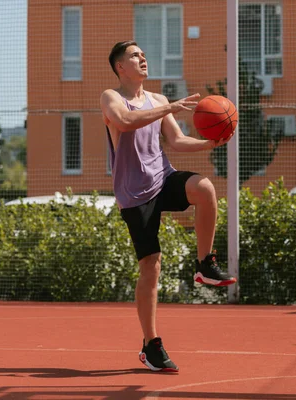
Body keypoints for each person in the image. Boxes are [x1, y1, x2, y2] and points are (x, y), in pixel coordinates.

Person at [100, 40, 237, 373]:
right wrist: (170, 108)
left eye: (144, 54)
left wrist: (209, 142)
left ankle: (205, 264)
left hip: (163, 178)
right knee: (152, 266)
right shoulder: (111, 97)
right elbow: (125, 122)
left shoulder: (158, 99)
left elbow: (175, 141)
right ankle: (151, 345)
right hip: (134, 193)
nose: (143, 58)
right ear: (121, 66)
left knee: (204, 188)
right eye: (135, 56)